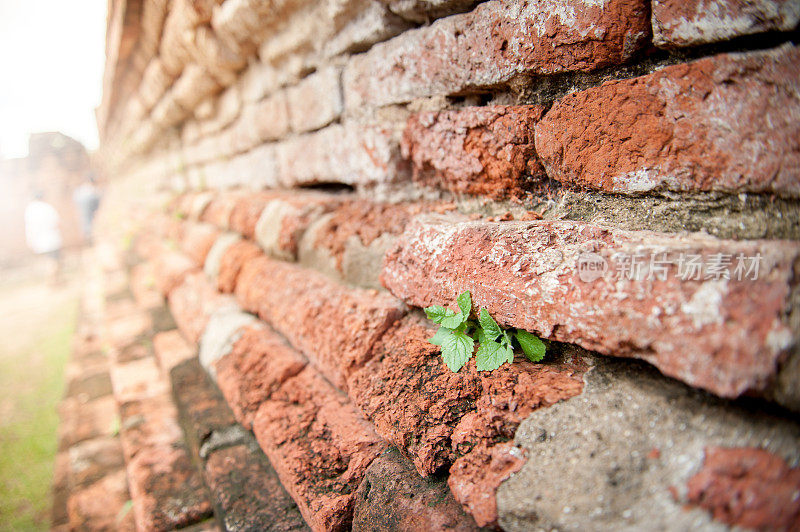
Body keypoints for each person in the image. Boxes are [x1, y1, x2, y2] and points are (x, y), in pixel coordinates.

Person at [24, 191, 63, 284]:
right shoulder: (47, 207)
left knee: (48, 260)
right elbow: (57, 222)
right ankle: (53, 281)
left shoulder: (30, 209)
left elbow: (29, 227)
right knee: (54, 261)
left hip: (39, 240)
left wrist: (30, 241)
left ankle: (52, 280)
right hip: (51, 238)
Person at [72, 173, 101, 244]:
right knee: (91, 228)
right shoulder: (93, 191)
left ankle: (88, 242)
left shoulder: (78, 191)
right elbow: (97, 204)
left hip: (82, 214)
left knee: (85, 227)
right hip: (90, 214)